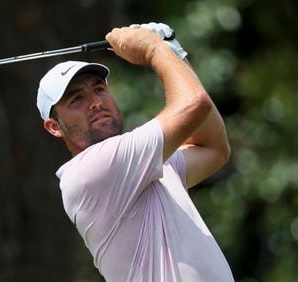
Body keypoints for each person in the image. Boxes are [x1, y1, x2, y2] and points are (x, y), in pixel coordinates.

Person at [36, 23, 234, 281]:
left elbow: (213, 148)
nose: (95, 102)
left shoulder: (142, 165)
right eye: (77, 99)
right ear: (54, 127)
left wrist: (173, 52)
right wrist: (154, 49)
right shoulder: (90, 171)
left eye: (99, 89)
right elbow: (195, 104)